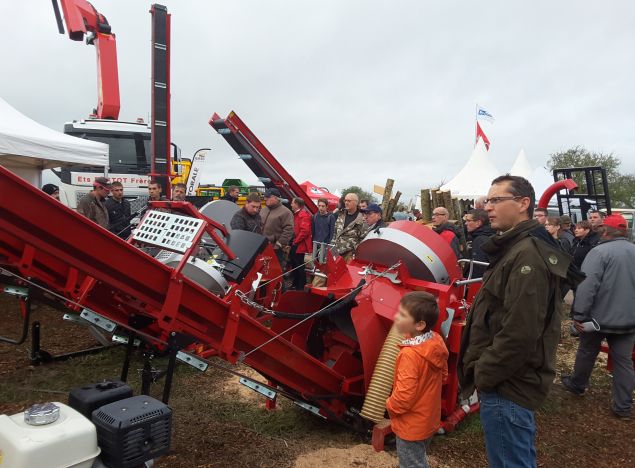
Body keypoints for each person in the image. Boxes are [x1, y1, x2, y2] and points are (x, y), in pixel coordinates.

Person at [458, 175, 579, 468]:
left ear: (523, 203)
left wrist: (485, 374)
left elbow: (520, 332)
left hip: (508, 385)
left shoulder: (527, 254)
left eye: (497, 200)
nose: (488, 207)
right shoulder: (518, 246)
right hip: (508, 382)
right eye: (488, 201)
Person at [561, 214, 635, 419]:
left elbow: (586, 286)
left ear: (605, 231)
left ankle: (578, 384)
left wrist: (579, 314)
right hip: (628, 320)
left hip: (598, 318)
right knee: (624, 361)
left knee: (587, 350)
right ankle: (623, 407)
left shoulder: (599, 252)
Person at [386, 292, 448, 468]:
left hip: (411, 426)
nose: (396, 316)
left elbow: (404, 396)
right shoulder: (435, 342)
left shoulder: (410, 354)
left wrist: (390, 404)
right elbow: (443, 374)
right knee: (418, 459)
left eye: (402, 315)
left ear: (420, 325)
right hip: (428, 420)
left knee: (412, 464)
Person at [260, 188, 294, 267]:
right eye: (265, 197)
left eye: (268, 197)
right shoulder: (263, 210)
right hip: (261, 247)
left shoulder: (286, 212)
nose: (265, 199)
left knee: (275, 270)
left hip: (275, 249)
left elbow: (289, 230)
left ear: (276, 198)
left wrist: (279, 245)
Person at [332, 192, 365, 261]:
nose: (346, 203)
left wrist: (354, 253)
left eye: (349, 201)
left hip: (349, 255)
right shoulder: (341, 214)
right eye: (345, 200)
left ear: (356, 203)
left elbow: (363, 239)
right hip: (336, 252)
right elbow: (335, 231)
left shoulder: (362, 218)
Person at [464, 209, 494, 278]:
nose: (465, 223)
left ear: (478, 223)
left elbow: (479, 267)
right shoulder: (488, 235)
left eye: (468, 221)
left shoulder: (480, 240)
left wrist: (470, 284)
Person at [290, 197, 312, 290]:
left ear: (296, 204)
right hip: (297, 243)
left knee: (299, 265)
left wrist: (296, 241)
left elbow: (305, 231)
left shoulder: (303, 215)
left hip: (299, 245)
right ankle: (296, 284)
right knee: (295, 264)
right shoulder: (299, 214)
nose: (291, 204)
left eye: (292, 203)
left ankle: (300, 286)